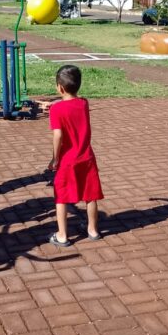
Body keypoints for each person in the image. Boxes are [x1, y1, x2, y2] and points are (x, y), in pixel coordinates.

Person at [47, 65, 103, 246]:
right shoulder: (84, 103)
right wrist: (56, 104)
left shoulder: (56, 110)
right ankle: (93, 230)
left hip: (67, 160)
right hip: (87, 157)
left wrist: (55, 158)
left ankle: (62, 235)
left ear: (60, 87)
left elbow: (58, 135)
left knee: (61, 196)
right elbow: (71, 105)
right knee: (90, 195)